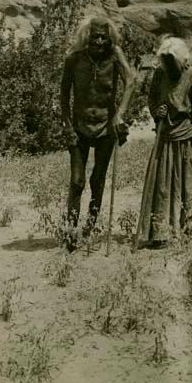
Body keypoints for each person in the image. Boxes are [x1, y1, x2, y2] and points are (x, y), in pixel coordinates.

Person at [60, 15, 134, 239]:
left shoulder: (115, 56)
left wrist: (119, 116)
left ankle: (90, 227)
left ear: (109, 37)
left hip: (106, 127)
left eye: (103, 37)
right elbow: (63, 94)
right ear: (87, 36)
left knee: (97, 179)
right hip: (79, 126)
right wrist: (67, 125)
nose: (99, 42)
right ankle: (70, 230)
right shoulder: (74, 59)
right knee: (77, 181)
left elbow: (130, 82)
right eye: (95, 37)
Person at [137, 37, 192, 249]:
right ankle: (161, 233)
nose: (168, 66)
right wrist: (156, 111)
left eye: (172, 62)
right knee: (161, 186)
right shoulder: (159, 75)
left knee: (187, 185)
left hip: (186, 137)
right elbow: (152, 100)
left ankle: (187, 229)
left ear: (181, 61)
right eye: (165, 61)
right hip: (164, 137)